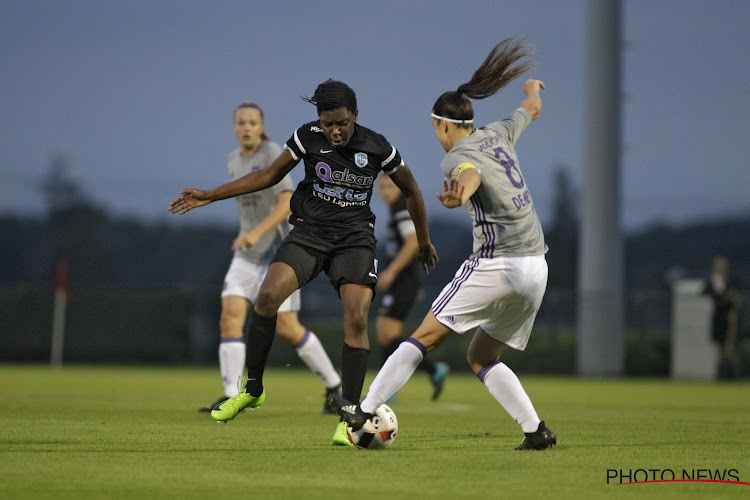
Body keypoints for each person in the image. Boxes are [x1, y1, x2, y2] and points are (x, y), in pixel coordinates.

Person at [170, 80, 438, 446]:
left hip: (354, 240)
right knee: (266, 298)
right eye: (328, 124)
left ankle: (351, 414)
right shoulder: (307, 137)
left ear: (355, 117)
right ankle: (252, 390)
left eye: (342, 122)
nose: (335, 130)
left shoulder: (377, 146)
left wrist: (423, 241)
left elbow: (412, 190)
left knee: (356, 317)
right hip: (309, 233)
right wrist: (209, 196)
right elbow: (267, 176)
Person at [329, 37, 557, 450]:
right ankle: (535, 431)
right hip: (537, 268)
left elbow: (469, 175)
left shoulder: (455, 156)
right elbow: (532, 110)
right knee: (482, 357)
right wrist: (532, 89)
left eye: (434, 129)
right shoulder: (502, 132)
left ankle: (362, 409)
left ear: (443, 125)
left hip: (498, 265)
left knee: (423, 337)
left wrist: (459, 196)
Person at [199, 102, 342, 415]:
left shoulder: (272, 154)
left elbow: (286, 204)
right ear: (234, 127)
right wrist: (248, 237)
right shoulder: (233, 160)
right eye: (241, 123)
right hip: (247, 255)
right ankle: (231, 394)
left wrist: (256, 233)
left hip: (277, 252)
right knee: (229, 317)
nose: (246, 128)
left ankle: (333, 384)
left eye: (252, 122)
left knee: (288, 329)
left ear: (261, 126)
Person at [375, 174, 449, 402]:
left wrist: (392, 272)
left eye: (389, 185)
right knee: (387, 333)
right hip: (405, 283)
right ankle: (400, 383)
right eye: (381, 186)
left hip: (402, 282)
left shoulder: (400, 209)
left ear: (398, 187)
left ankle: (426, 371)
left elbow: (412, 243)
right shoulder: (396, 209)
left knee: (388, 333)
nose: (384, 190)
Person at [702, 256, 742, 379]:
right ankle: (722, 375)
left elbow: (736, 301)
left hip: (730, 321)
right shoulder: (711, 283)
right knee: (720, 350)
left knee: (731, 350)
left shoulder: (731, 282)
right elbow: (704, 294)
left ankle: (734, 375)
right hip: (718, 321)